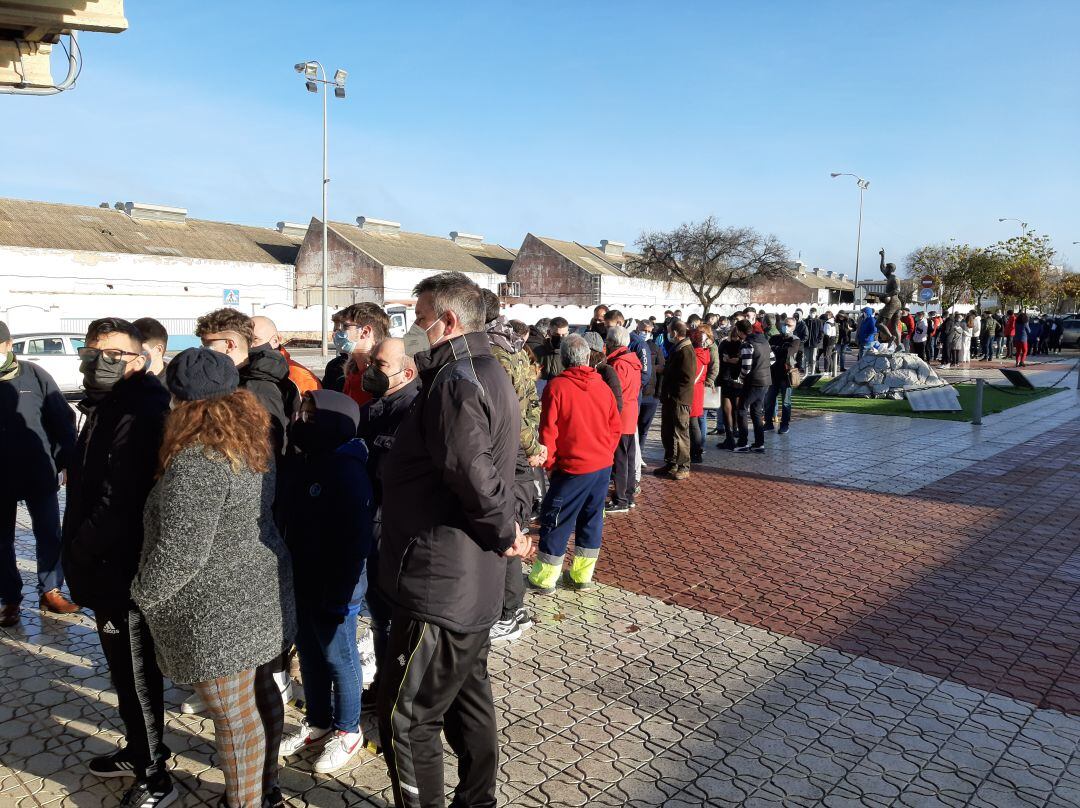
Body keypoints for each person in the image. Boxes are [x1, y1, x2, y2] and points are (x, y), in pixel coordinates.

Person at [376, 272, 529, 808]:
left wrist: (507, 529)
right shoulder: (487, 369)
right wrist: (510, 525)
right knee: (468, 697)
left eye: (419, 319)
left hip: (441, 581)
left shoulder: (460, 378)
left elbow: (474, 471)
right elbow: (504, 465)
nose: (413, 329)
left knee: (409, 715)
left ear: (448, 320)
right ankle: (477, 800)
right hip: (466, 579)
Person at [131, 348, 295, 808]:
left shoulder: (198, 459)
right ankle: (264, 792)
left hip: (218, 610)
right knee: (256, 702)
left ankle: (245, 802)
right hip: (254, 592)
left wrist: (143, 594)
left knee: (234, 718)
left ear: (179, 400)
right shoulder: (247, 437)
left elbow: (182, 554)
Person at [61, 317, 173, 808]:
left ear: (138, 359)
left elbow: (119, 500)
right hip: (100, 564)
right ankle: (140, 747)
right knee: (124, 669)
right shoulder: (106, 404)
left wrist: (79, 548)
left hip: (120, 567)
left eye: (111, 355)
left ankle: (155, 776)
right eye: (91, 353)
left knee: (134, 670)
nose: (98, 362)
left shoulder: (140, 409)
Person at [279, 389, 373, 772]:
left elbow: (355, 540)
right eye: (303, 413)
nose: (303, 421)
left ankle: (348, 731)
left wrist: (341, 593)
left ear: (335, 421)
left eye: (313, 416)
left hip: (336, 588)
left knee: (339, 657)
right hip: (303, 579)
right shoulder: (308, 460)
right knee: (312, 657)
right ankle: (318, 722)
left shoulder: (347, 469)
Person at [354, 338, 419, 713]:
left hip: (396, 534)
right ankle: (383, 685)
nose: (370, 372)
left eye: (379, 365)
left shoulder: (415, 413)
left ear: (406, 373)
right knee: (380, 618)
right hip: (371, 527)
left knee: (396, 621)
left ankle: (400, 696)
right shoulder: (374, 408)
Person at [0, 320, 78, 628]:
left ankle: (51, 590)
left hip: (38, 471)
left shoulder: (34, 374)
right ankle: (9, 599)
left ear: (7, 345)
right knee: (1, 541)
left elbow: (64, 419)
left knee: (48, 533)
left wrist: (65, 462)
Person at [528, 334, 621, 590]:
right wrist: (605, 453)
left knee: (556, 520)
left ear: (564, 357)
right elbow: (616, 426)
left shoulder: (557, 387)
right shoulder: (601, 385)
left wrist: (551, 465)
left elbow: (549, 431)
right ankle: (582, 576)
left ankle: (545, 578)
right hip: (601, 466)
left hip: (572, 468)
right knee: (592, 520)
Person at [481, 290, 543, 644]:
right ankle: (513, 609)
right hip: (517, 448)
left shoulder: (493, 352)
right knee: (510, 526)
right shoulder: (512, 344)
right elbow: (531, 401)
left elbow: (513, 408)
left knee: (506, 530)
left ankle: (510, 612)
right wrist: (533, 441)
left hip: (507, 449)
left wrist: (530, 445)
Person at [196, 308, 296, 456]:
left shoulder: (259, 389)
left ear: (230, 345)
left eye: (208, 345)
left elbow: (269, 450)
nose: (203, 351)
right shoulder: (229, 379)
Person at [604, 326, 642, 513]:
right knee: (628, 457)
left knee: (620, 458)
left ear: (613, 343)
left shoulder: (618, 364)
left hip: (621, 414)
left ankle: (621, 499)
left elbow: (614, 393)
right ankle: (628, 495)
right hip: (631, 412)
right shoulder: (632, 360)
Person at [655, 320, 695, 480]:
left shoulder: (686, 351)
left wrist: (666, 371)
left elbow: (687, 377)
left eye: (669, 330)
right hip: (670, 398)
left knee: (681, 433)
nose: (667, 333)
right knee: (668, 432)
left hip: (680, 399)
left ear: (675, 333)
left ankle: (684, 465)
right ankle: (671, 462)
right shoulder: (677, 348)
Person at [331, 304, 391, 407]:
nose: (336, 333)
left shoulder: (384, 376)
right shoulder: (352, 372)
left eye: (344, 327)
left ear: (365, 332)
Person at [251, 315, 321, 397]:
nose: (249, 345)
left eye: (255, 339)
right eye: (245, 339)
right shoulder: (241, 368)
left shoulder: (301, 378)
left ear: (275, 341)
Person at [734, 319, 773, 453]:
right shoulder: (764, 341)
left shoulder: (747, 344)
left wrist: (741, 378)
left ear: (739, 331)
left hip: (753, 381)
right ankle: (759, 443)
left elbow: (746, 367)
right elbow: (772, 359)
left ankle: (743, 442)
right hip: (766, 380)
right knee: (756, 411)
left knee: (741, 409)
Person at [765, 317, 801, 435]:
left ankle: (784, 424)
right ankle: (768, 423)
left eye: (789, 325)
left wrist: (777, 349)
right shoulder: (775, 338)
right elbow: (768, 350)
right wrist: (779, 349)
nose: (786, 327)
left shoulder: (795, 340)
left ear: (794, 327)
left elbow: (789, 352)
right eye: (785, 324)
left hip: (786, 375)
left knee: (786, 402)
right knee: (769, 400)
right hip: (773, 373)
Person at [636, 320, 664, 454]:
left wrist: (658, 394)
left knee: (644, 429)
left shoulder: (655, 348)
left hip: (651, 395)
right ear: (638, 329)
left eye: (649, 331)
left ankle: (640, 454)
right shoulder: (633, 344)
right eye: (644, 330)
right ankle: (634, 455)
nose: (646, 334)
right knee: (633, 427)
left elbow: (662, 370)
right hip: (636, 393)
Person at [715, 326, 744, 450]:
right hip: (739, 379)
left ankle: (730, 436)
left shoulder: (724, 344)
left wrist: (730, 360)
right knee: (736, 408)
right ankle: (736, 431)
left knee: (727, 409)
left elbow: (721, 359)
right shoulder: (744, 345)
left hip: (725, 378)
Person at [688, 328, 711, 464]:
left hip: (692, 391)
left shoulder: (696, 355)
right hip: (697, 391)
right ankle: (696, 451)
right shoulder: (703, 353)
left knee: (693, 423)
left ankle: (696, 452)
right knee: (694, 422)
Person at [534, 316, 569, 381]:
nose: (560, 338)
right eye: (556, 334)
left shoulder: (570, 354)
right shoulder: (537, 351)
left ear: (568, 333)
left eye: (564, 335)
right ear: (549, 333)